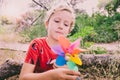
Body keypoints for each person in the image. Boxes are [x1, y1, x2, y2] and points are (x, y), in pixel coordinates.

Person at [19, 2, 80, 80]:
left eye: (66, 24)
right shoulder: (37, 45)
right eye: (57, 21)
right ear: (47, 24)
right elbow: (23, 77)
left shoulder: (69, 49)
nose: (61, 26)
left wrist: (68, 68)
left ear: (69, 31)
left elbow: (74, 73)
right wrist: (50, 76)